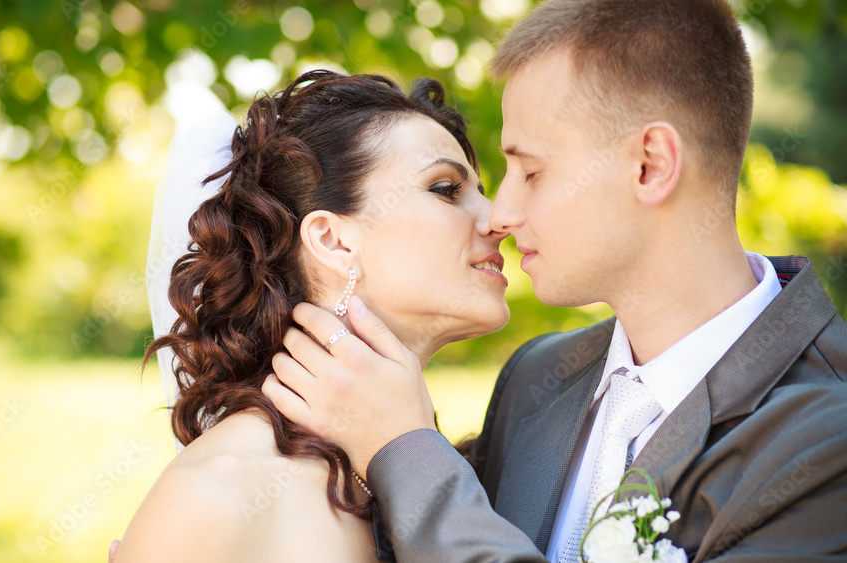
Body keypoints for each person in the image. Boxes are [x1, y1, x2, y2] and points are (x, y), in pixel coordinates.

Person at [262, 0, 847, 561]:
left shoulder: (828, 439)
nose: (503, 213)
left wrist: (402, 449)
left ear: (651, 166)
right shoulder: (536, 377)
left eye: (532, 171)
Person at [110, 70, 512, 562]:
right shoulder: (217, 493)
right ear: (332, 240)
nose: (498, 217)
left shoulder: (437, 469)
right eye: (446, 189)